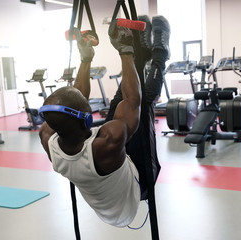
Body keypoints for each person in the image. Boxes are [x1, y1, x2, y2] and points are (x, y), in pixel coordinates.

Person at [39, 15, 170, 228]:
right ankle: (160, 53)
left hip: (107, 169)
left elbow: (76, 97)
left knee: (120, 102)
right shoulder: (108, 139)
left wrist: (86, 58)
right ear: (89, 118)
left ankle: (141, 55)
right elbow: (133, 101)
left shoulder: (47, 136)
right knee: (143, 102)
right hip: (138, 186)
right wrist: (124, 50)